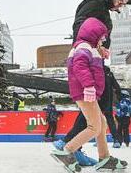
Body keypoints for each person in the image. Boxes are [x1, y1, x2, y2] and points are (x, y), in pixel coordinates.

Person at [51, 18, 127, 172]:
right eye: (101, 37)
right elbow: (80, 66)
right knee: (94, 127)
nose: (103, 40)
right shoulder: (83, 47)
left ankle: (104, 158)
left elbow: (90, 64)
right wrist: (89, 86)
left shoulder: (87, 47)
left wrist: (99, 54)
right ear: (93, 35)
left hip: (88, 92)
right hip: (85, 92)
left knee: (102, 123)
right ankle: (67, 151)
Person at [54, 66, 122, 165]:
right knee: (91, 126)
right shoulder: (87, 56)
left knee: (100, 125)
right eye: (105, 49)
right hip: (91, 97)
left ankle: (104, 158)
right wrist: (89, 88)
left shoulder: (105, 70)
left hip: (100, 101)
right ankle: (67, 149)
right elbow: (79, 70)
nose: (106, 52)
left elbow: (112, 87)